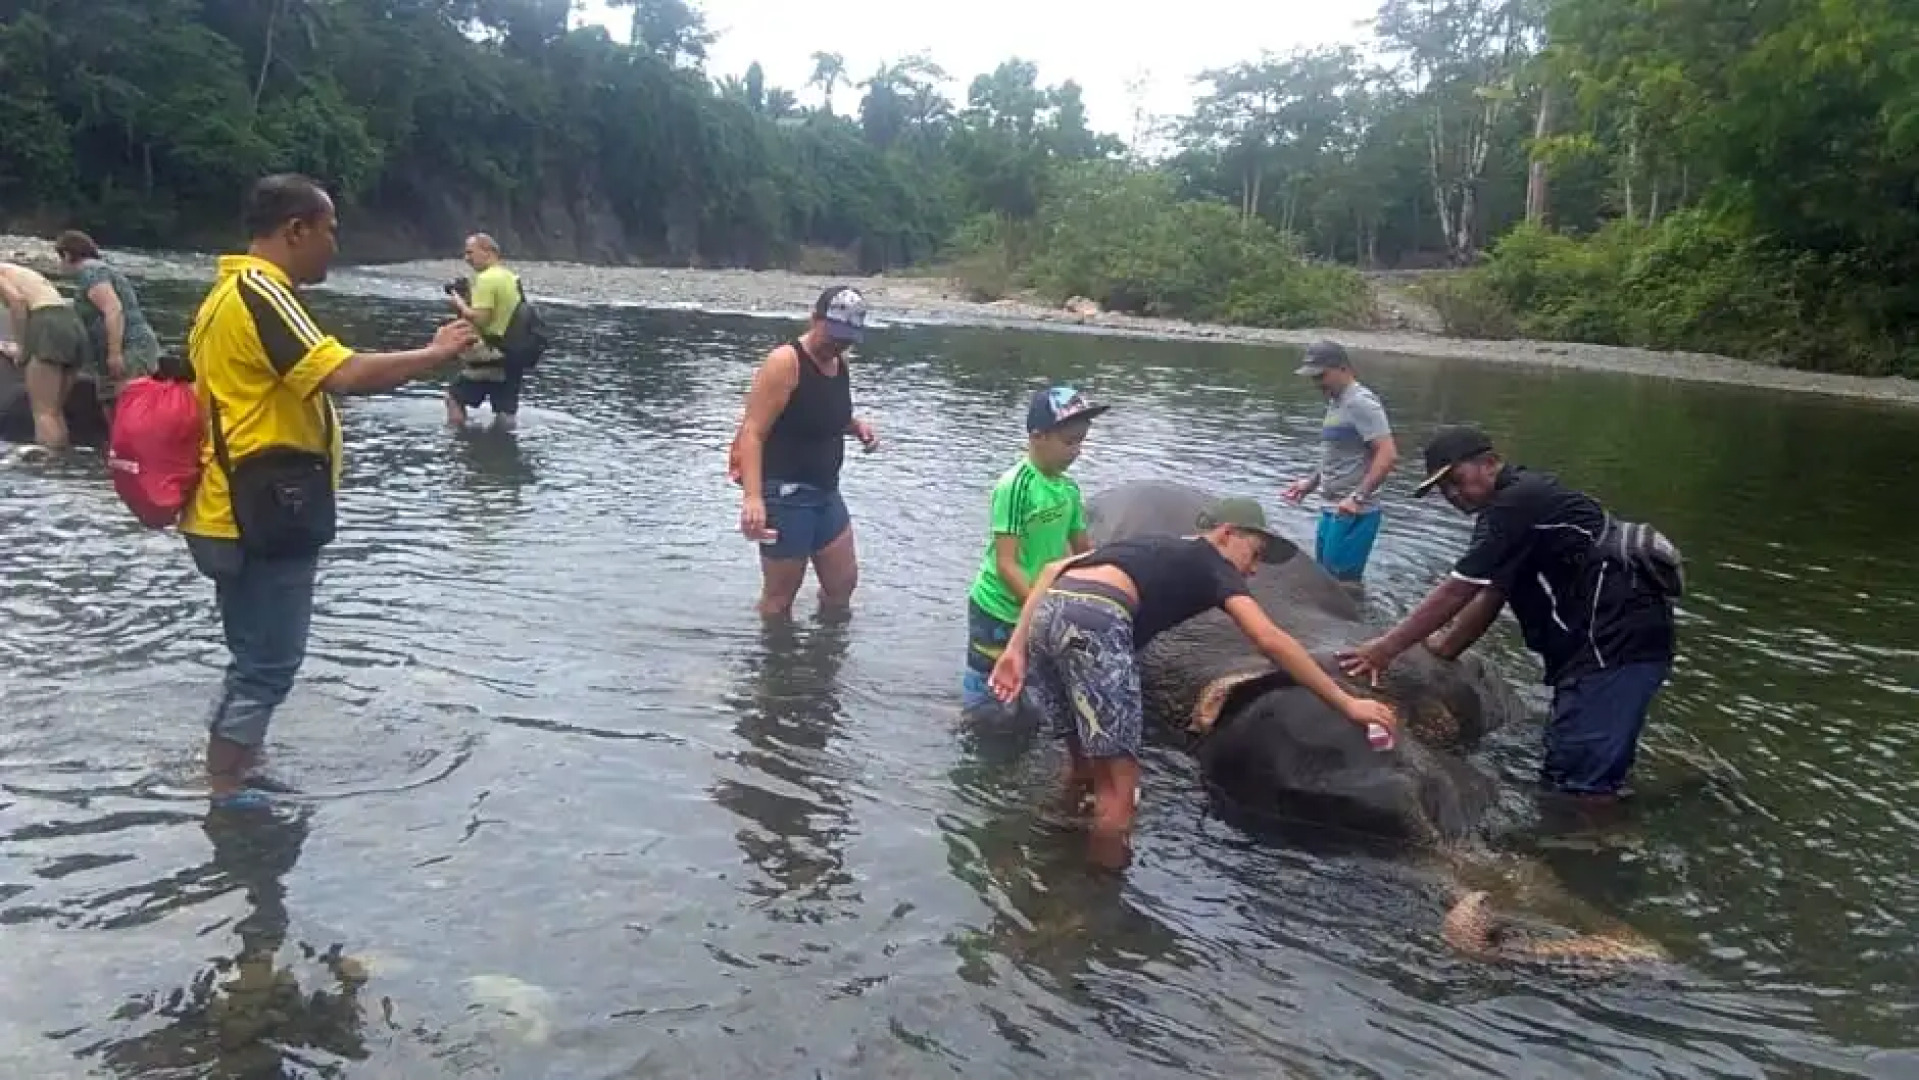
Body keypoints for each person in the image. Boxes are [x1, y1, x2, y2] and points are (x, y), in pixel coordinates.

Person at [183, 173, 477, 810]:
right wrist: (435, 353)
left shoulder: (223, 294)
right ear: (296, 230)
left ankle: (237, 765)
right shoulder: (263, 291)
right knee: (270, 663)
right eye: (330, 230)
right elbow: (343, 374)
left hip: (224, 508)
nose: (334, 244)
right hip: (261, 512)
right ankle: (226, 786)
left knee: (252, 657)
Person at [987, 497, 1402, 861]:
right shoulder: (1213, 564)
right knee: (1122, 789)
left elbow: (1053, 570)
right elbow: (1269, 640)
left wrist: (1015, 649)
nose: (1253, 570)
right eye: (1254, 553)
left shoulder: (1152, 545)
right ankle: (1096, 902)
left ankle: (1052, 841)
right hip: (1098, 617)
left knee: (1082, 763)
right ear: (1226, 534)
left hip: (1051, 612)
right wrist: (1348, 703)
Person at [1338, 426, 1679, 803]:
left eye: (1456, 480)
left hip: (1614, 648)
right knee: (1574, 762)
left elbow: (1458, 589)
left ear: (1489, 463)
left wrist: (1383, 650)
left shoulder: (1517, 503)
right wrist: (1445, 649)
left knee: (1581, 783)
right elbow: (1493, 592)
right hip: (1599, 650)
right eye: (1443, 488)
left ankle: (1595, 846)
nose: (1452, 494)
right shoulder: (1508, 512)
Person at [733, 285, 879, 618]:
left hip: (826, 493)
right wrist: (753, 499)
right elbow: (752, 432)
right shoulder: (786, 362)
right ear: (814, 319)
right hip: (785, 495)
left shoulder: (839, 363)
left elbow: (819, 411)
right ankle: (774, 665)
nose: (838, 345)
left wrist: (855, 426)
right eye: (833, 336)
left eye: (846, 339)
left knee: (842, 584)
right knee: (779, 600)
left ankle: (822, 659)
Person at [962, 386, 1107, 710]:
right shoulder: (1016, 485)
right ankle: (971, 719)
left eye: (1081, 442)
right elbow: (1006, 564)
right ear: (1038, 436)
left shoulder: (1068, 489)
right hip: (998, 608)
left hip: (1040, 603)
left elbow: (1083, 549)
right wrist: (1037, 609)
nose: (1077, 451)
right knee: (988, 691)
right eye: (1069, 442)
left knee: (1031, 686)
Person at [1282, 340, 1398, 583]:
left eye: (1321, 376)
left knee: (1341, 586)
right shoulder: (1337, 402)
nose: (1317, 383)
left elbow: (1387, 454)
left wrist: (1358, 498)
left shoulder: (1362, 403)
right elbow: (1335, 454)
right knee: (1324, 581)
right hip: (1330, 508)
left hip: (1356, 513)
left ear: (1343, 369)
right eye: (1313, 377)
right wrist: (1310, 483)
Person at [53, 230, 163, 420]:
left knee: (126, 408)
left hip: (129, 348)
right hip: (110, 354)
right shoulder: (92, 275)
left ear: (67, 255)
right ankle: (116, 448)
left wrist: (115, 353)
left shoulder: (91, 271)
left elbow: (113, 309)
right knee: (111, 407)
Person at [0, 259, 91, 449]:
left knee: (43, 412)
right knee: (54, 412)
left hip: (48, 325)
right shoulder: (16, 271)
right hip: (72, 324)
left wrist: (22, 347)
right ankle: (60, 460)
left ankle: (47, 467)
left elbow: (17, 302)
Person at [443, 233, 525, 430]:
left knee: (453, 398)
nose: (466, 258)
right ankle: (503, 450)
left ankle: (459, 441)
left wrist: (460, 304)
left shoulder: (486, 279)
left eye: (470, 252)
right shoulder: (511, 278)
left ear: (488, 252)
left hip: (490, 355)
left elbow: (480, 319)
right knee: (505, 413)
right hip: (513, 355)